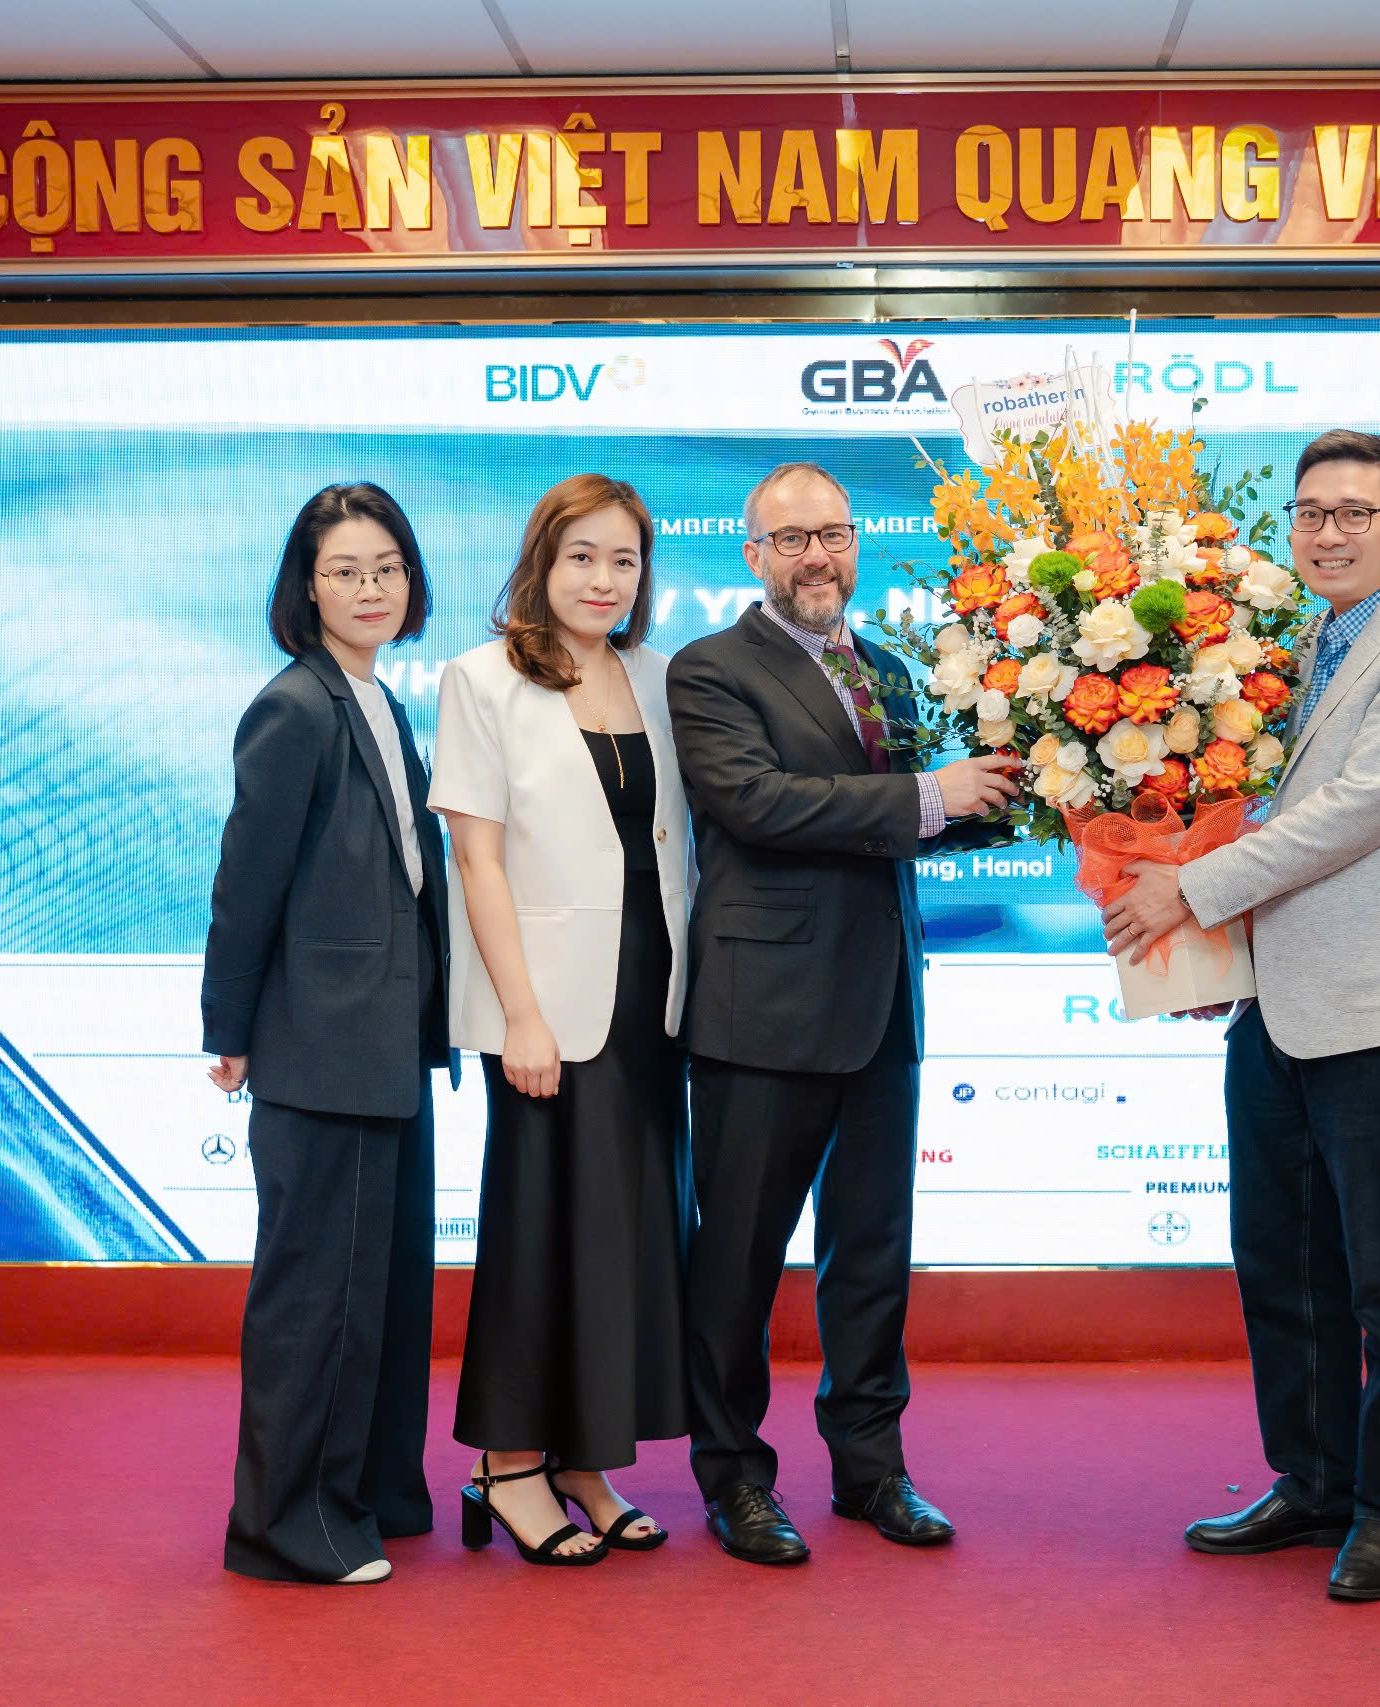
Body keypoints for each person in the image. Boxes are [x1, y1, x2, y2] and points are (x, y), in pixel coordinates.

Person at [1103, 429, 1380, 1603]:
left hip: (1377, 1011)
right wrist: (1220, 954)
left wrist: (1190, 895)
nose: (1328, 533)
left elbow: (1358, 812)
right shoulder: (1303, 640)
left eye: (1354, 512)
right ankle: (1313, 1480)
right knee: (1281, 1264)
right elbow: (1263, 808)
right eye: (1311, 512)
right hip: (1273, 1005)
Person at [666, 461, 1023, 1566]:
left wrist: (1039, 784)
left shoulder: (890, 673)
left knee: (871, 1258)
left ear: (855, 543)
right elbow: (758, 805)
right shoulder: (708, 668)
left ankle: (872, 1470)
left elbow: (909, 824)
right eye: (791, 539)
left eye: (832, 534)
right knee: (737, 1264)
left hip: (881, 1008)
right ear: (753, 555)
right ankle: (734, 1478)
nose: (815, 556)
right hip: (762, 1013)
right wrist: (932, 794)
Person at [430, 474, 694, 1568]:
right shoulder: (481, 679)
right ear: (541, 561)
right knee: (539, 1230)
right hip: (544, 1004)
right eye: (581, 555)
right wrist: (521, 1016)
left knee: (623, 1235)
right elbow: (476, 860)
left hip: (653, 996)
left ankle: (585, 1460)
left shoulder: (660, 676)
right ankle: (507, 1466)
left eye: (623, 560)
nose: (603, 579)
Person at [203, 482, 452, 1586]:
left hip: (389, 1047)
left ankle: (373, 1492)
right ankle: (288, 1527)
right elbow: (245, 882)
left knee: (383, 1291)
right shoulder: (294, 707)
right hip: (321, 1048)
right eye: (345, 571)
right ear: (306, 588)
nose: (369, 588)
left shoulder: (380, 700)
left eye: (386, 568)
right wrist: (229, 1026)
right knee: (317, 1300)